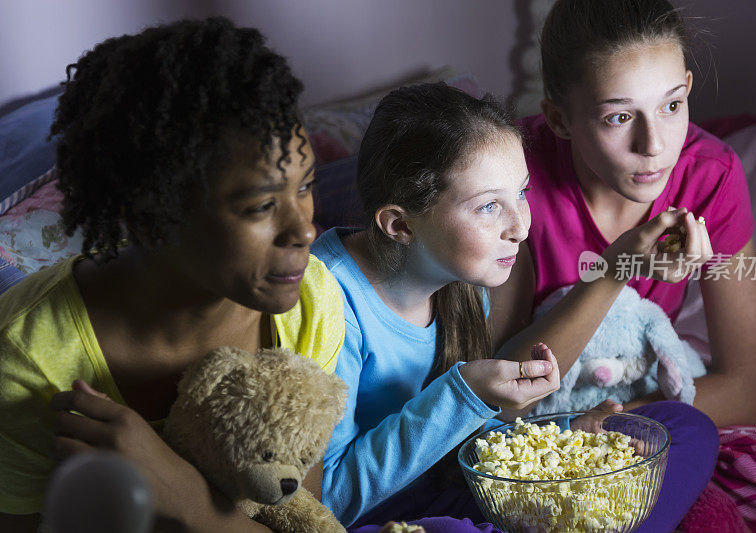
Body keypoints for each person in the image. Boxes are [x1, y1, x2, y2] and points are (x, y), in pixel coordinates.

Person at [0, 18, 344, 532]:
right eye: (260, 205)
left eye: (305, 186)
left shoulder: (310, 305)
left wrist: (184, 497)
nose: (305, 229)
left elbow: (291, 517)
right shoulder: (29, 357)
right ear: (152, 217)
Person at [490, 0, 756, 530]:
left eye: (671, 106)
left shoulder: (709, 177)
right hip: (534, 406)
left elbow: (748, 386)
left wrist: (619, 423)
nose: (655, 146)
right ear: (559, 118)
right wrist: (614, 271)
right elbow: (504, 392)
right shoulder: (515, 176)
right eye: (619, 117)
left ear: (688, 87)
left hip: (615, 409)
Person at [311, 83, 561, 530]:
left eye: (521, 192)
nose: (520, 228)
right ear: (401, 224)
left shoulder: (463, 283)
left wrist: (563, 441)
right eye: (488, 206)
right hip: (366, 520)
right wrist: (462, 394)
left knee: (680, 429)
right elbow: (325, 501)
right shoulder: (329, 306)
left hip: (437, 493)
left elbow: (454, 446)